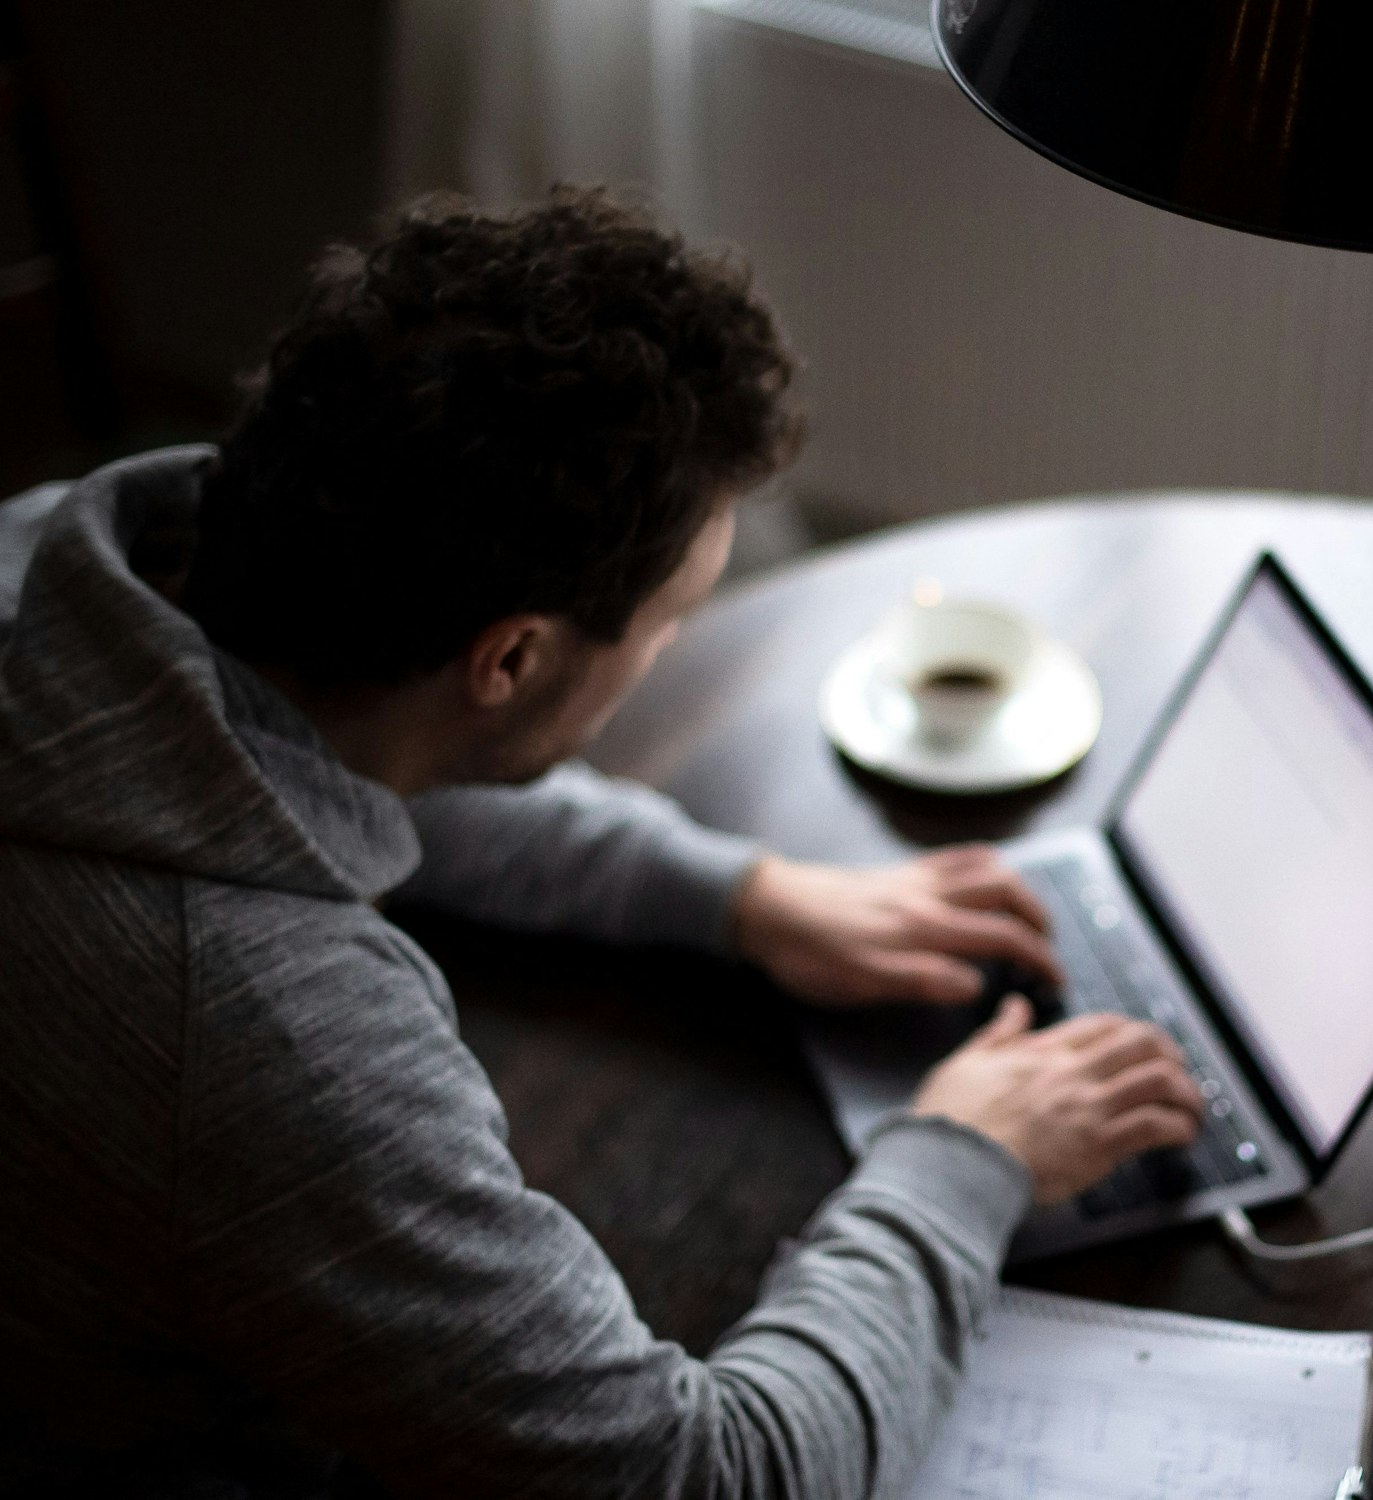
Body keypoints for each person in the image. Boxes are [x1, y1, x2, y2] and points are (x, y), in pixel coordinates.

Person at [0, 188, 1205, 1498]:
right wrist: (968, 1158)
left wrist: (738, 894)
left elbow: (342, 757)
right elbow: (706, 1477)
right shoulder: (268, 1043)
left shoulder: (53, 569)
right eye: (671, 619)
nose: (673, 645)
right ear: (512, 658)